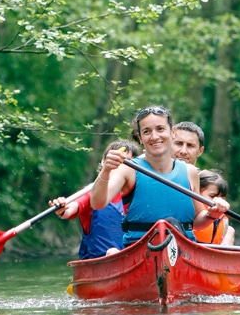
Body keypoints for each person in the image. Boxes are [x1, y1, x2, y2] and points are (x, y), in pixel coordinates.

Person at [90, 105, 229, 248]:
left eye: (160, 129)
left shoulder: (190, 172)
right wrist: (106, 170)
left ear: (173, 131)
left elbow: (198, 222)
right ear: (140, 137)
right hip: (140, 250)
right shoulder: (128, 169)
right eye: (147, 131)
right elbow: (97, 203)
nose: (154, 136)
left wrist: (213, 214)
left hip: (184, 251)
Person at [49, 139, 141, 259]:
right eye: (116, 160)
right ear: (103, 162)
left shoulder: (141, 195)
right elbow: (69, 210)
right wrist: (62, 208)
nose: (121, 167)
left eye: (127, 163)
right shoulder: (90, 193)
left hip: (133, 259)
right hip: (99, 262)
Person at [193, 169, 235, 246]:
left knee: (230, 230)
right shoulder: (189, 210)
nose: (218, 201)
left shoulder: (223, 218)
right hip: (190, 249)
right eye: (212, 196)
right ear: (197, 191)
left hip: (211, 253)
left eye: (222, 198)